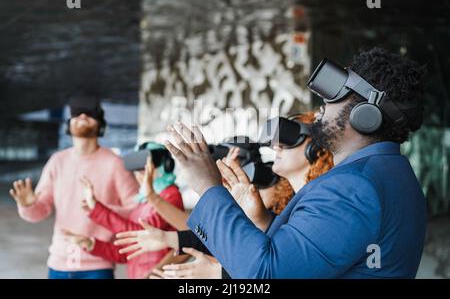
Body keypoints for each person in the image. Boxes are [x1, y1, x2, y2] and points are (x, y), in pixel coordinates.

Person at [116, 47, 427, 278]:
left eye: (336, 93)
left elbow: (267, 275)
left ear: (366, 114)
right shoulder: (392, 174)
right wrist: (262, 220)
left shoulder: (353, 188)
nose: (323, 105)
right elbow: (308, 257)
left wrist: (207, 186)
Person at [117, 113, 334, 279]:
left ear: (316, 150)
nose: (276, 146)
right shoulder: (297, 202)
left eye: (290, 138)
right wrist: (168, 239)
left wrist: (218, 273)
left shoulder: (318, 204)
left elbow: (279, 268)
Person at [9, 96, 139, 279]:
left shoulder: (115, 164)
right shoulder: (57, 161)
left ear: (101, 124)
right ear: (68, 123)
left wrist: (100, 210)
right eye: (76, 113)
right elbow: (40, 212)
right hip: (59, 263)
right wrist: (28, 205)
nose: (83, 116)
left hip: (98, 264)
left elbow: (136, 211)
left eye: (90, 114)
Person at [63, 142, 186, 279]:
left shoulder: (170, 195)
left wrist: (97, 210)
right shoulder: (143, 199)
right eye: (138, 168)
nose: (140, 173)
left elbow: (139, 233)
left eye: (147, 166)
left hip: (158, 275)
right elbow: (129, 250)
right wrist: (91, 244)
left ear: (166, 165)